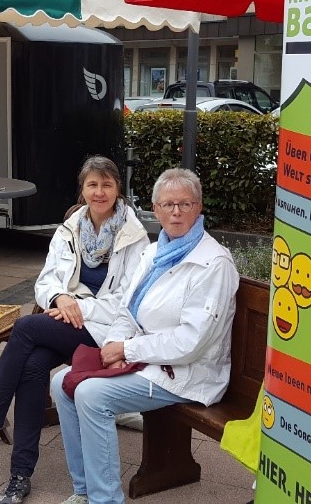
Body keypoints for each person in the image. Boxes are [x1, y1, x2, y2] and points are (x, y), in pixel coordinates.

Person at [0, 155, 150, 504]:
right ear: (83, 189)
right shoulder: (71, 228)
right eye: (92, 184)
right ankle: (20, 476)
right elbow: (46, 279)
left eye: (107, 184)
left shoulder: (134, 236)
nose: (100, 191)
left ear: (118, 188)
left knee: (26, 328)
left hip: (107, 331)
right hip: (68, 322)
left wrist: (78, 308)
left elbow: (128, 300)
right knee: (31, 368)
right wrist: (61, 297)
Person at [50, 168, 239, 504]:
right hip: (147, 360)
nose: (176, 212)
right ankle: (84, 490)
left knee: (93, 395)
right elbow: (127, 309)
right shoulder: (154, 252)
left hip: (188, 372)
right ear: (155, 207)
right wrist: (114, 346)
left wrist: (130, 349)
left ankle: (105, 499)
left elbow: (192, 343)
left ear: (199, 207)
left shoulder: (213, 263)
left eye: (184, 204)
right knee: (60, 383)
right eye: (167, 205)